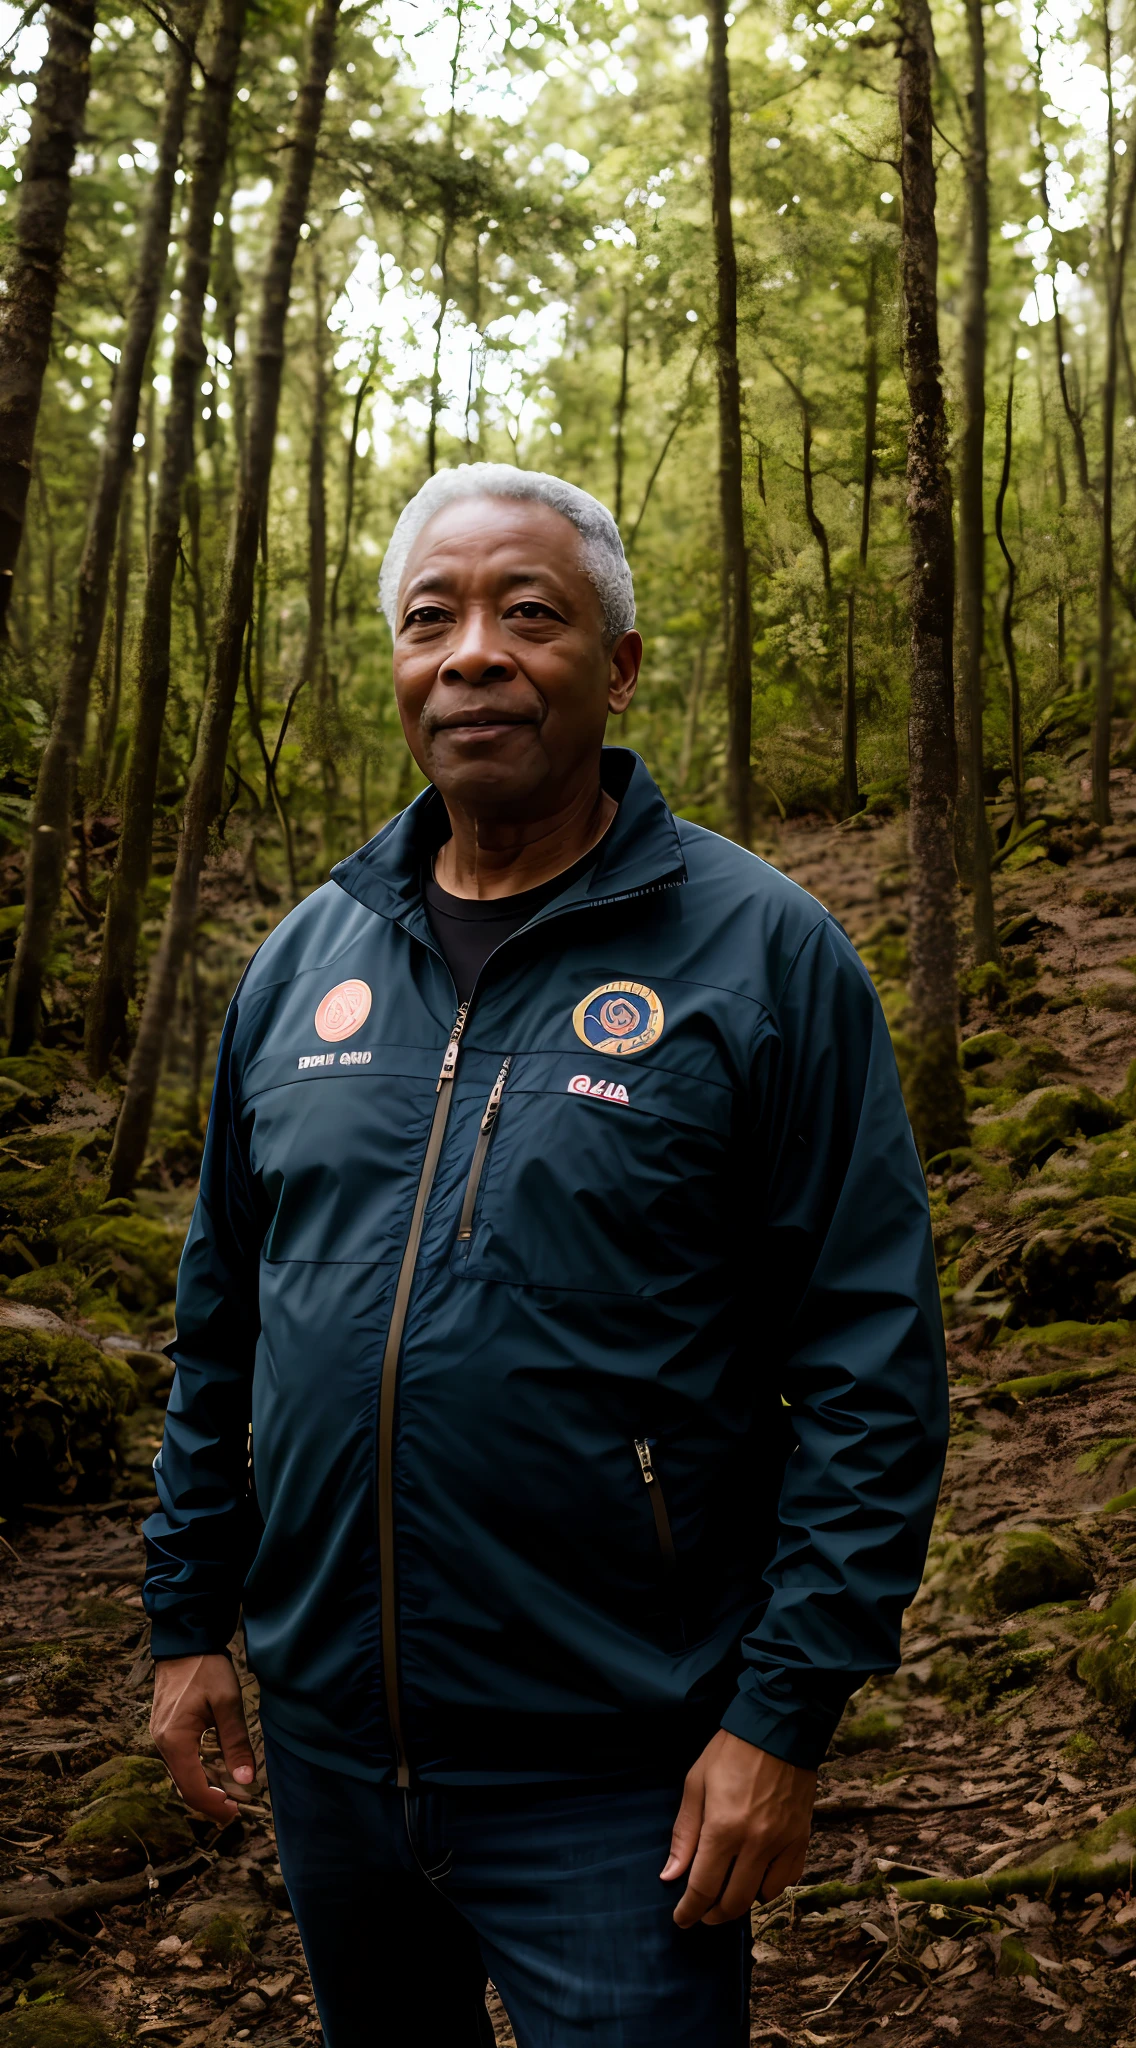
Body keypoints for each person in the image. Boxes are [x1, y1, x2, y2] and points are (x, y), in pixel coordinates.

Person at [144, 464, 948, 2047]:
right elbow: (218, 1328)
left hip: (616, 1774)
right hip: (330, 1754)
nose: (472, 655)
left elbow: (871, 1370)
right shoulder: (303, 966)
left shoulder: (760, 957)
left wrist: (781, 1718)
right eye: (429, 619)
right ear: (396, 666)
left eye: (530, 614)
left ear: (620, 664)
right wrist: (186, 1621)